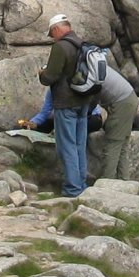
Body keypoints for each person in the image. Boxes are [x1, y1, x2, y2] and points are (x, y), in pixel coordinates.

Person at [38, 11, 98, 197]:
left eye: (52, 33)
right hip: (84, 102)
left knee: (67, 146)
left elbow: (51, 77)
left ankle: (72, 189)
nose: (52, 38)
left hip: (65, 103)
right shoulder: (83, 45)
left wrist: (42, 73)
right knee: (79, 145)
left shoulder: (61, 47)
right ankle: (81, 185)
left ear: (56, 29)